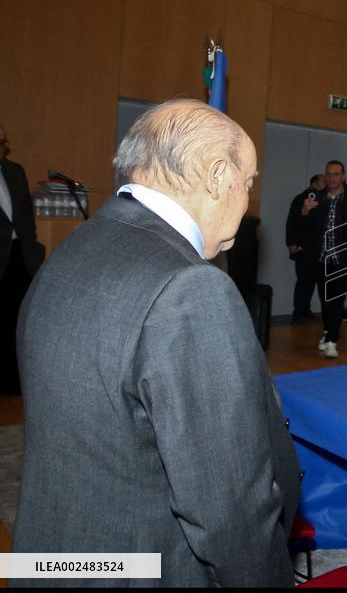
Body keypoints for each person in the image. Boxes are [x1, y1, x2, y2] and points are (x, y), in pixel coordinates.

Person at [12, 100, 300, 586]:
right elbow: (228, 509)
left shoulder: (74, 249)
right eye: (248, 182)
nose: (248, 200)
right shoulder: (190, 289)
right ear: (217, 176)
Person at [295, 160, 347, 359]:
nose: (331, 178)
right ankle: (328, 334)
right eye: (328, 174)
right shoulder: (316, 198)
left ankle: (332, 340)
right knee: (325, 300)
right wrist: (305, 211)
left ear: (343, 176)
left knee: (337, 300)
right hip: (320, 259)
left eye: (335, 174)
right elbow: (302, 226)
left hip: (343, 258)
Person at [0, 123, 42, 395]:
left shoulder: (14, 171)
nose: (4, 147)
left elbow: (26, 214)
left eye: (4, 142)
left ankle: (14, 383)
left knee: (17, 321)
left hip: (20, 256)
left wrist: (34, 248)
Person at [285, 173, 324, 324]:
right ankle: (298, 312)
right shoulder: (301, 199)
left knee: (312, 280)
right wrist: (291, 243)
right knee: (303, 280)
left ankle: (305, 310)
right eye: (322, 181)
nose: (326, 182)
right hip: (303, 247)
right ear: (314, 184)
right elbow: (292, 222)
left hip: (316, 248)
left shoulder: (323, 199)